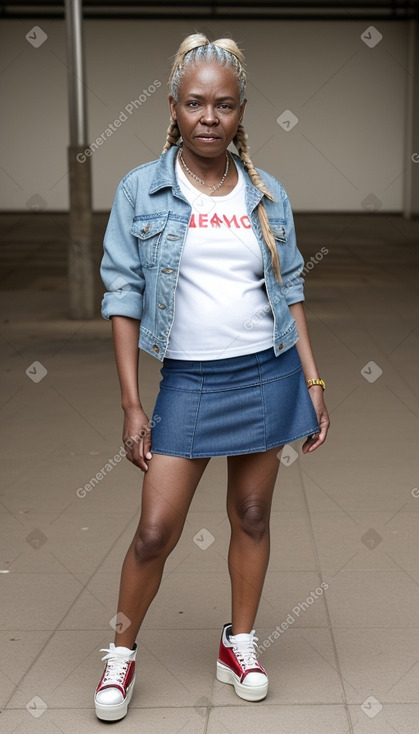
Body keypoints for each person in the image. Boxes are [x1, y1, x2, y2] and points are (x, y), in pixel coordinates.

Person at [94, 33, 330, 722]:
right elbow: (122, 295)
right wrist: (133, 405)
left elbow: (289, 290)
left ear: (240, 112)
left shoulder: (265, 191)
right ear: (172, 107)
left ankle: (241, 643)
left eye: (222, 105)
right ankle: (121, 656)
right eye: (195, 103)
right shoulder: (142, 189)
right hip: (190, 384)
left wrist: (313, 385)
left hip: (269, 372)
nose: (208, 117)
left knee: (251, 515)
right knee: (154, 531)